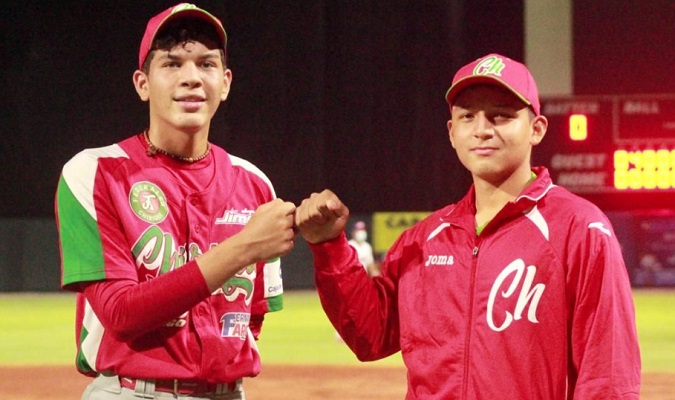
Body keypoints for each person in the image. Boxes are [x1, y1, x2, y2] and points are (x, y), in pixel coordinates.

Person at [294, 53, 641, 398]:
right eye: (467, 117)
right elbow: (370, 335)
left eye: (500, 116)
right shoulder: (425, 238)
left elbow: (608, 377)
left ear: (536, 129)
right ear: (451, 132)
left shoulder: (579, 229)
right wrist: (329, 247)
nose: (482, 130)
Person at [55, 4, 296, 399]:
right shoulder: (94, 172)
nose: (191, 79)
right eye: (171, 64)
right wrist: (242, 247)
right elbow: (120, 312)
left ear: (226, 82)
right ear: (142, 83)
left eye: (206, 64)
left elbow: (251, 319)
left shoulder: (255, 184)